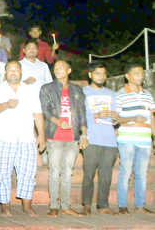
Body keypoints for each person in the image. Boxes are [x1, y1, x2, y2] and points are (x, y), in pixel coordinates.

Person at [0, 60, 46, 217]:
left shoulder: (30, 91)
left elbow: (38, 114)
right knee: (2, 174)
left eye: (16, 69)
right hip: (3, 138)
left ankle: (27, 207)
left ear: (21, 72)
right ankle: (5, 208)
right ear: (5, 73)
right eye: (10, 69)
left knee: (28, 173)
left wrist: (41, 135)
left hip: (26, 138)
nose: (13, 72)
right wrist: (6, 104)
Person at [39, 60, 88, 217]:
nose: (58, 69)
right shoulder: (47, 88)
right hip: (55, 135)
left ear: (69, 70)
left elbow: (81, 113)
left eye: (61, 67)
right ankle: (54, 205)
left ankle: (66, 206)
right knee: (54, 171)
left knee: (68, 171)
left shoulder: (77, 90)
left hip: (73, 137)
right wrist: (59, 123)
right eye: (56, 68)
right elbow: (45, 111)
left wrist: (84, 135)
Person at [113, 63, 155, 215]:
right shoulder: (119, 95)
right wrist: (133, 118)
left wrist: (154, 136)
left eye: (142, 73)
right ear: (127, 76)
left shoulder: (148, 95)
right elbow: (115, 119)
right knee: (125, 172)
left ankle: (140, 205)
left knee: (141, 174)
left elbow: (152, 117)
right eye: (136, 73)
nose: (141, 76)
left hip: (144, 140)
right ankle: (123, 206)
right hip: (127, 140)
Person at [80, 62, 119, 216]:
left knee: (106, 174)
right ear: (90, 75)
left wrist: (115, 117)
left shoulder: (110, 93)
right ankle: (87, 205)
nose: (101, 77)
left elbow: (115, 117)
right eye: (97, 73)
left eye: (103, 74)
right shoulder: (83, 92)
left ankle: (103, 205)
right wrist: (96, 115)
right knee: (89, 173)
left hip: (109, 139)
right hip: (92, 138)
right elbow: (79, 115)